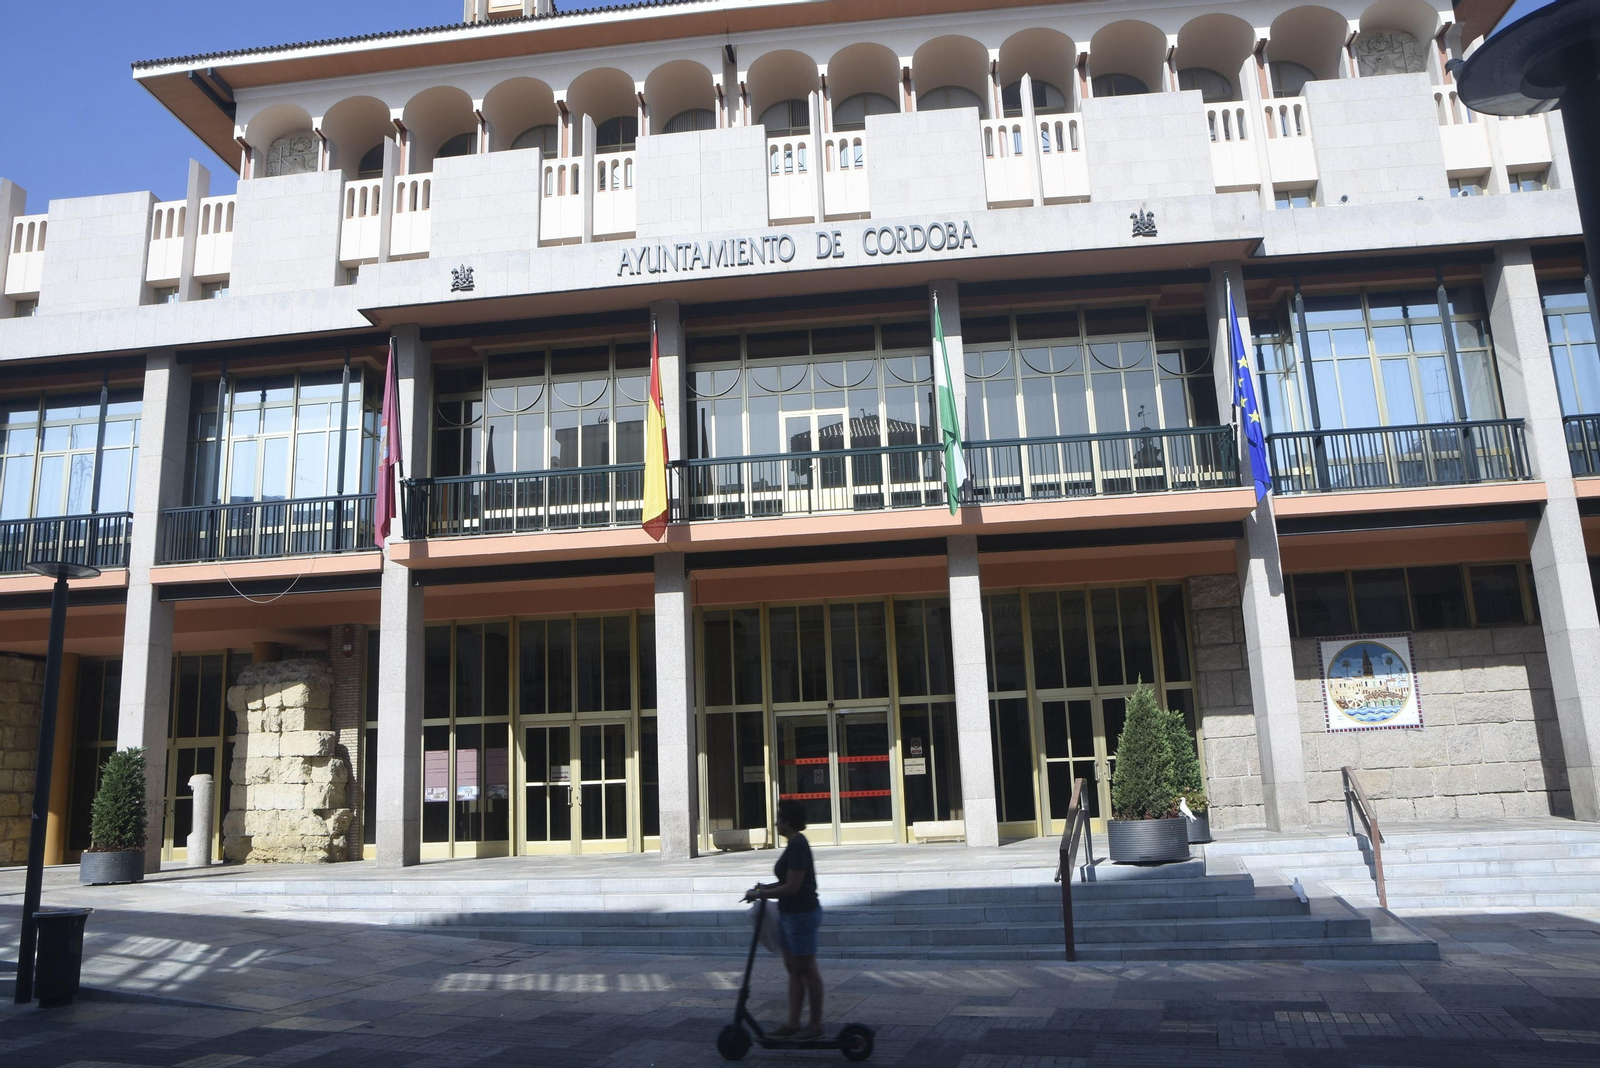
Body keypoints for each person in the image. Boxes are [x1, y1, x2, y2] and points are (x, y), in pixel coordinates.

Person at [743, 799, 823, 1041]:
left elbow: (793, 887)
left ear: (787, 821)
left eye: (778, 818)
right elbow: (786, 882)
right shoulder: (793, 845)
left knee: (807, 969)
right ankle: (793, 1023)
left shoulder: (798, 845)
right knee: (794, 970)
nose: (776, 822)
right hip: (789, 915)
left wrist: (762, 894)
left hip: (801, 915)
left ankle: (816, 1025)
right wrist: (764, 888)